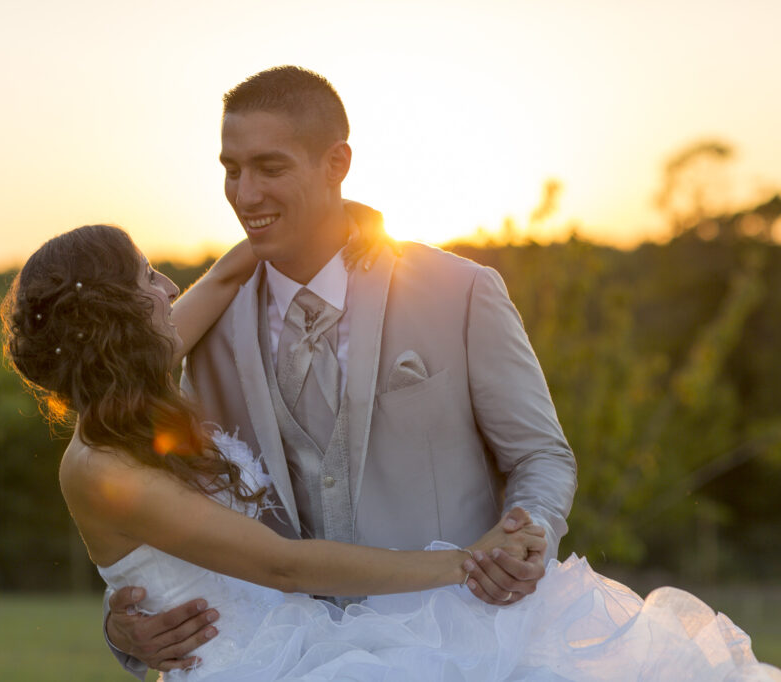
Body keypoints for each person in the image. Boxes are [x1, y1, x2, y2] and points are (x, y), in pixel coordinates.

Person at [0, 224, 778, 681]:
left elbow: (233, 267)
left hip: (311, 635)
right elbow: (281, 566)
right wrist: (464, 566)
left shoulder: (142, 381)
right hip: (262, 663)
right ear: (118, 317)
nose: (168, 282)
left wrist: (336, 220)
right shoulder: (98, 468)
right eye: (145, 276)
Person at [105, 65, 578, 676]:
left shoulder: (459, 291)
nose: (244, 194)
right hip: (290, 661)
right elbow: (171, 503)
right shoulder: (208, 331)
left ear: (337, 164)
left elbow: (541, 454)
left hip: (465, 646)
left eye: (270, 168)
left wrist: (528, 533)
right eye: (231, 169)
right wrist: (125, 626)